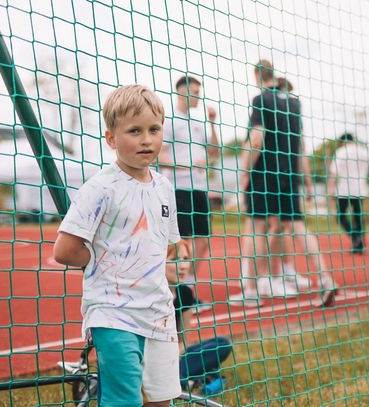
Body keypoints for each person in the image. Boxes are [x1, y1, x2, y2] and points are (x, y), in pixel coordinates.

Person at [53, 84, 182, 406]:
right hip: (114, 312)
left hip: (159, 312)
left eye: (154, 129)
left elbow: (170, 244)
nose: (146, 139)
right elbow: (65, 250)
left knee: (162, 399)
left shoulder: (164, 187)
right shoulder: (101, 187)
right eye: (134, 131)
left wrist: (171, 264)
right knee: (124, 400)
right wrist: (108, 263)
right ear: (111, 138)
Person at [235, 60, 338, 307]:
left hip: (265, 174)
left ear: (257, 76)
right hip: (290, 175)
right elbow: (300, 145)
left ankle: (251, 290)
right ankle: (325, 279)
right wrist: (308, 182)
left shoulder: (261, 100)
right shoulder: (294, 103)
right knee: (298, 226)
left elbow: (257, 138)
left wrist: (245, 171)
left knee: (256, 228)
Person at [158, 76, 220, 313]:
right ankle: (176, 295)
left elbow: (214, 151)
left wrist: (213, 123)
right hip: (178, 190)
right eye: (194, 92)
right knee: (179, 242)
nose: (197, 97)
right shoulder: (170, 121)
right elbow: (159, 155)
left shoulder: (198, 123)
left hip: (199, 189)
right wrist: (186, 166)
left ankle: (187, 288)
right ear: (181, 92)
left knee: (203, 239)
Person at [165, 240, 232, 396]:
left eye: (185, 259)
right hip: (154, 356)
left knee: (222, 344)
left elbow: (185, 340)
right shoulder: (151, 294)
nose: (182, 266)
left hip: (176, 354)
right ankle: (186, 378)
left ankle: (182, 377)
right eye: (175, 260)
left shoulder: (185, 293)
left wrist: (176, 353)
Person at [327, 132, 369, 253]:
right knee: (358, 216)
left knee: (341, 217)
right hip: (360, 189)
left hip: (344, 190)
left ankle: (355, 237)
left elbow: (334, 173)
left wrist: (330, 191)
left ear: (342, 142)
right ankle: (359, 242)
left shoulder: (341, 152)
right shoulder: (363, 151)